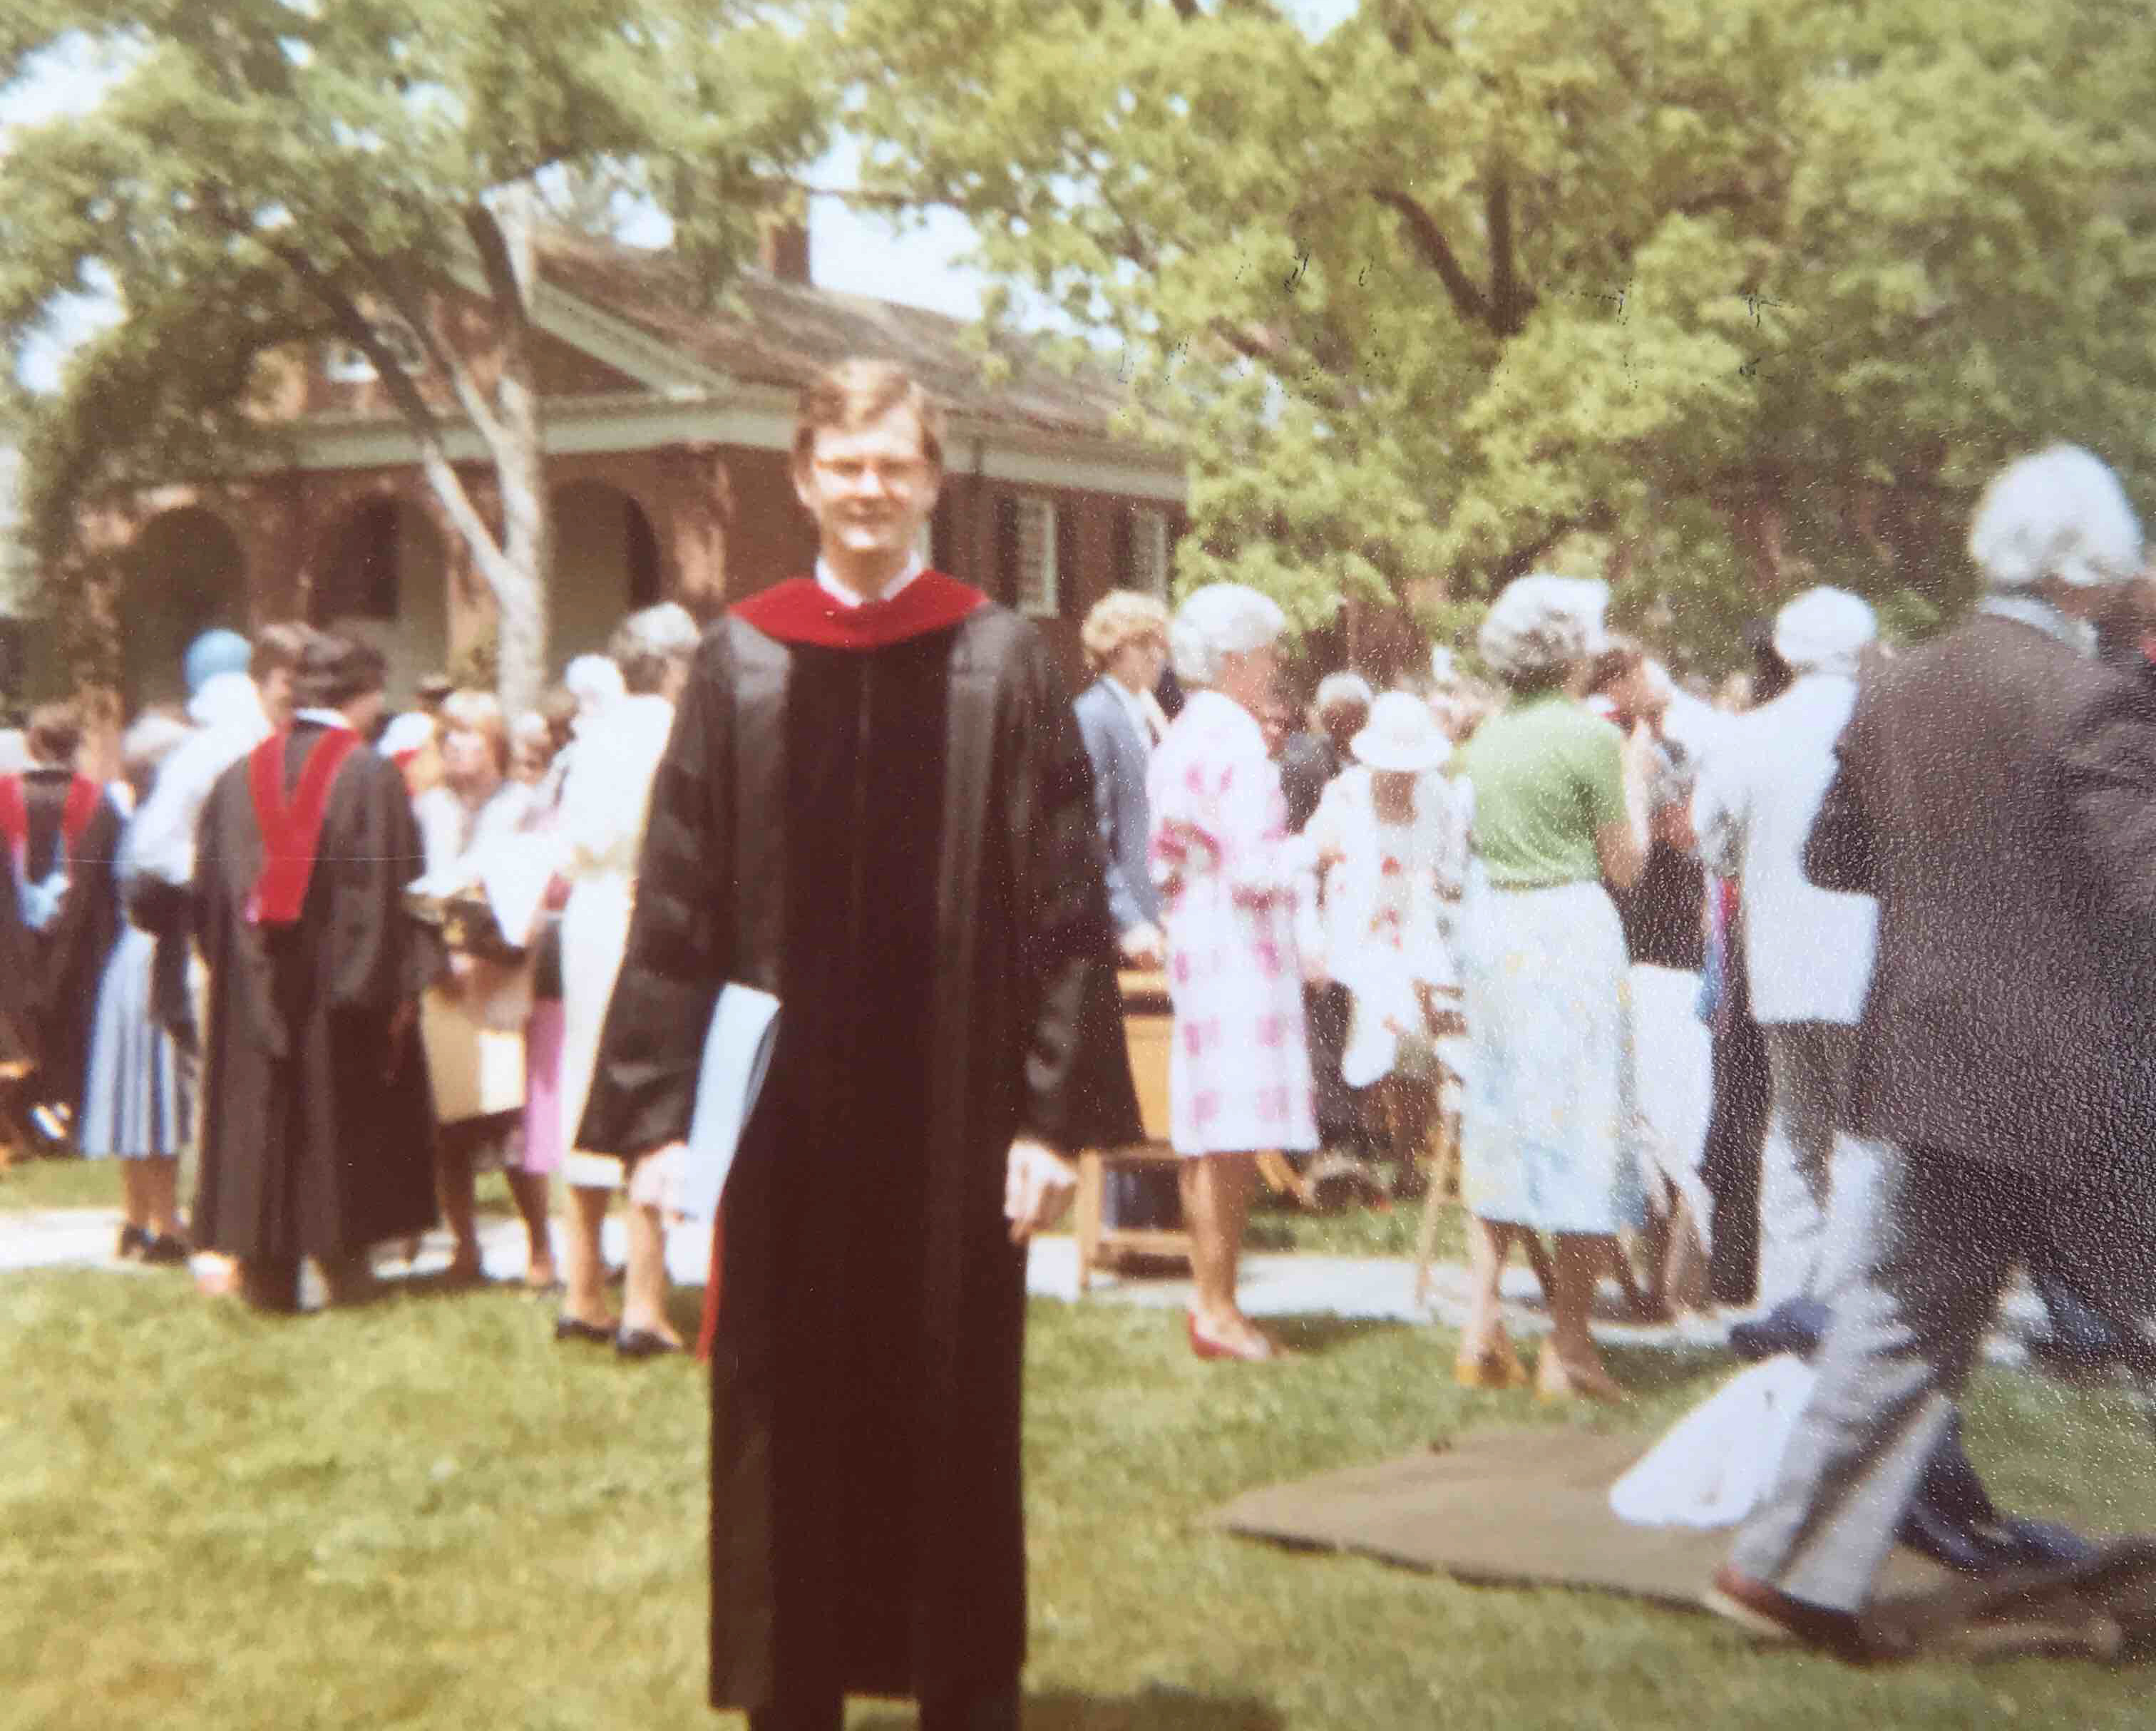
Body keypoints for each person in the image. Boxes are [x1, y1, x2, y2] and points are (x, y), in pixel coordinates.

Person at [576, 359, 1134, 1731]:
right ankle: (788, 1691)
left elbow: (1062, 907)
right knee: (779, 1398)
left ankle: (962, 1687)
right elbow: (678, 897)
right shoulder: (742, 659)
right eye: (844, 463)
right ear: (803, 475)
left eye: (895, 464)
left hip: (956, 1111)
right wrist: (654, 1118)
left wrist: (1048, 1118)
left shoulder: (1003, 659)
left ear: (932, 480)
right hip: (781, 1113)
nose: (869, 488)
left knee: (951, 1398)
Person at [1709, 445, 2156, 1654]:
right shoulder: (2087, 697)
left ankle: (1779, 1568)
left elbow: (1830, 858)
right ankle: (1781, 1569)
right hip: (2079, 1082)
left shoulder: (1897, 684)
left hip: (1930, 1066)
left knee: (1894, 1322)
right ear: (2092, 562)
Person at [190, 630, 441, 1313]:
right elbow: (396, 891)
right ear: (365, 695)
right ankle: (346, 1268)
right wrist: (391, 987)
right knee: (337, 1127)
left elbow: (207, 900)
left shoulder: (237, 776)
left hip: (253, 990)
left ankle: (267, 1276)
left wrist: (246, 978)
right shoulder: (370, 774)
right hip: (340, 993)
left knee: (266, 1121)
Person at [1451, 574, 1645, 1401]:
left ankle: (1481, 1325)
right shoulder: (1592, 738)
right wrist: (1637, 775)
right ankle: (1569, 1348)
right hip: (1568, 929)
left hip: (1496, 931)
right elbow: (1625, 865)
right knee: (1584, 1126)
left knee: (1499, 1116)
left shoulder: (1484, 738)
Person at [1692, 587, 1881, 1310]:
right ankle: (1848, 1306)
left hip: (1779, 961)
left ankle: (1787, 1302)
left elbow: (1713, 841)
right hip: (1868, 963)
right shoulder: (1881, 726)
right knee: (1861, 1145)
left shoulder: (1749, 733)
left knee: (1794, 1137)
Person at [1149, 582, 1319, 1362]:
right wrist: (1318, 848)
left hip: (1197, 936)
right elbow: (1255, 869)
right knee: (1234, 1139)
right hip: (1239, 947)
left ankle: (1211, 1301)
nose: (1277, 663)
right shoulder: (1239, 741)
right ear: (1231, 659)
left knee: (1207, 1133)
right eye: (1266, 651)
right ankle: (1219, 1310)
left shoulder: (1183, 733)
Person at [553, 603, 701, 1357]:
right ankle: (645, 1301)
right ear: (676, 665)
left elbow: (570, 841)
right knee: (654, 1098)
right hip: (650, 917)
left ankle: (582, 1291)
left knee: (585, 1090)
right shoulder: (674, 733)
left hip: (588, 916)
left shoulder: (594, 734)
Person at [1588, 641, 1713, 1320]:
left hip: (1663, 951)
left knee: (1666, 1117)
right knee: (1660, 1117)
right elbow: (1679, 830)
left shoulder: (1660, 751)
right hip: (1647, 951)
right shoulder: (1625, 753)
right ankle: (1660, 1280)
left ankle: (1666, 1280)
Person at [1300, 689, 1467, 1193]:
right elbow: (1313, 863)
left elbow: (1453, 874)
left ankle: (1410, 1160)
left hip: (1418, 929)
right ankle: (1359, 1145)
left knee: (1418, 1026)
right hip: (1353, 934)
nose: (1404, 774)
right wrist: (1314, 940)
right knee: (1373, 1013)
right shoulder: (1345, 794)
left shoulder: (1440, 796)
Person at [411, 686, 540, 1283]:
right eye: (449, 734)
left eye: (472, 733)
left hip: (503, 974)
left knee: (510, 1119)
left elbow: (526, 892)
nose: (459, 745)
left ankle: (541, 1249)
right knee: (450, 1124)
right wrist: (439, 959)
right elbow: (419, 886)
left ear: (496, 742)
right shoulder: (428, 808)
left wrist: (480, 955)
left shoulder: (523, 805)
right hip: (442, 980)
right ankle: (466, 1249)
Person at [1072, 590, 1178, 1237]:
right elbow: (1092, 831)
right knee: (1129, 1061)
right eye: (1148, 647)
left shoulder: (1146, 713)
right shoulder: (1094, 716)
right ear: (1119, 649)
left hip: (1159, 914)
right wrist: (1129, 919)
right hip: (1127, 925)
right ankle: (1121, 1217)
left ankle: (1157, 1210)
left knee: (1159, 1066)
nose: (1159, 659)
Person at [80, 710, 197, 1260]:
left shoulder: (133, 819)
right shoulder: (163, 826)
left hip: (127, 961)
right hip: (157, 959)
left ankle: (136, 1217)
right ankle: (167, 1223)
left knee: (136, 1095)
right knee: (158, 1098)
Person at [0, 700, 125, 1146]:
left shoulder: (3, 796)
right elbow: (113, 884)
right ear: (76, 745)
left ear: (32, 744)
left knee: (19, 1033)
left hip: (10, 950)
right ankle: (73, 1123)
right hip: (79, 952)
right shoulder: (100, 802)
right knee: (76, 1035)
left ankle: (19, 1127)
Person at [1278, 672, 1373, 833]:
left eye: (1354, 717)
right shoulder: (1305, 766)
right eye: (1338, 718)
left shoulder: (1375, 761)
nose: (1347, 724)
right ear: (1325, 719)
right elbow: (1297, 828)